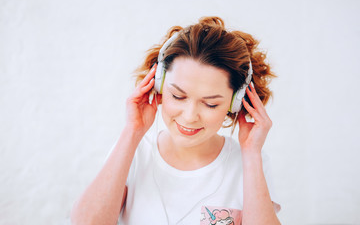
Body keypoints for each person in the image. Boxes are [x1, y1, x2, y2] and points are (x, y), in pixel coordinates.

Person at [71, 16, 281, 225]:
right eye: (178, 96)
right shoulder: (134, 152)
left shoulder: (250, 163)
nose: (189, 116)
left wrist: (251, 154)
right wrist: (132, 132)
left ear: (235, 103)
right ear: (159, 85)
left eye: (210, 104)